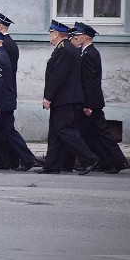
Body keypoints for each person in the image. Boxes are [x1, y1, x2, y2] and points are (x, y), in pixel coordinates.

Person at [36, 20, 99, 175]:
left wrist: (48, 97)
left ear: (56, 34)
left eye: (50, 33)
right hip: (64, 98)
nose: (49, 36)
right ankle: (52, 165)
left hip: (65, 98)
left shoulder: (64, 49)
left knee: (66, 130)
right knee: (56, 133)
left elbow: (58, 76)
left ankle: (89, 159)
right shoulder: (64, 48)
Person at [69, 22, 128, 174]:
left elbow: (91, 81)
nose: (76, 37)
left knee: (102, 133)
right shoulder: (86, 52)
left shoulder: (90, 54)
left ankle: (118, 162)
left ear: (86, 36)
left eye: (79, 34)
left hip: (91, 102)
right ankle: (102, 161)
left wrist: (88, 104)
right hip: (90, 100)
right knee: (91, 133)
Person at [0, 26, 37, 171]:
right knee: (8, 132)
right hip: (6, 102)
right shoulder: (1, 53)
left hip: (1, 104)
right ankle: (26, 159)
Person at [0, 11, 21, 168]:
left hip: (3, 93)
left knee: (6, 130)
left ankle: (16, 158)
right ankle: (9, 159)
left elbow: (1, 74)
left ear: (0, 26)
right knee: (4, 130)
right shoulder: (8, 43)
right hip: (4, 92)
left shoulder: (6, 45)